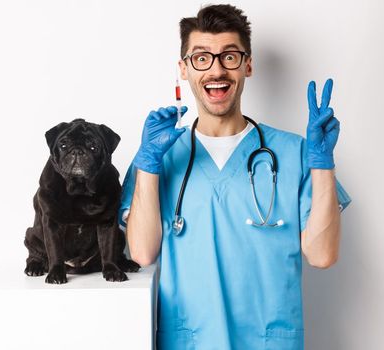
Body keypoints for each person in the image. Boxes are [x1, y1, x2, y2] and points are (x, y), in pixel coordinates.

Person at [118, 4, 351, 349]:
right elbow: (141, 252)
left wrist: (322, 163)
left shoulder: (296, 153)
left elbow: (322, 255)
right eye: (201, 58)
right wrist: (149, 163)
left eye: (229, 57)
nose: (216, 70)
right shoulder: (159, 156)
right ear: (183, 69)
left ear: (248, 65)